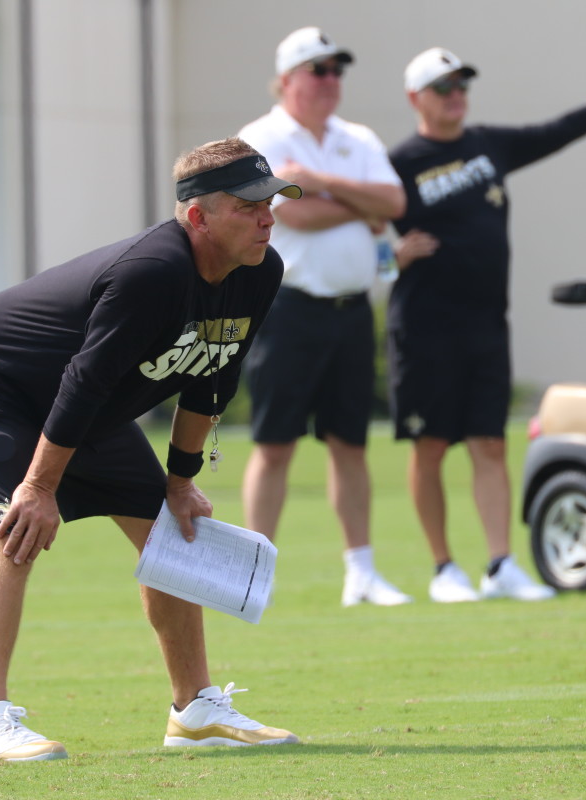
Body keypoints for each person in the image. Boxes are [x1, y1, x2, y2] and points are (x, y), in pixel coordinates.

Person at [0, 137, 302, 762]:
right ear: (197, 216)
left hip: (80, 402)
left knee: (170, 528)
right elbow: (85, 380)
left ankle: (196, 710)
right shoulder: (154, 271)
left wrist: (180, 482)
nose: (267, 216)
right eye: (248, 205)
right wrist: (41, 486)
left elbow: (210, 378)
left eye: (271, 201)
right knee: (17, 524)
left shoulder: (260, 271)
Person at [386, 47, 586, 603]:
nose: (456, 94)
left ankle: (500, 565)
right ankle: (444, 568)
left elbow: (561, 129)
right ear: (415, 98)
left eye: (460, 84)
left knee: (490, 443)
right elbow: (345, 222)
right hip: (425, 327)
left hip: (486, 324)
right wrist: (387, 258)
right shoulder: (396, 163)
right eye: (443, 86)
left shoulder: (487, 145)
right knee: (430, 446)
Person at [237, 27, 410, 607]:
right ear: (287, 79)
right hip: (288, 309)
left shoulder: (355, 137)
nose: (331, 81)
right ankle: (252, 574)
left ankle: (361, 572)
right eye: (319, 70)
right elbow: (293, 216)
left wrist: (324, 185)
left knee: (350, 444)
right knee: (275, 444)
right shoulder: (259, 137)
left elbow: (394, 204)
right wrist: (358, 209)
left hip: (351, 312)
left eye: (336, 70)